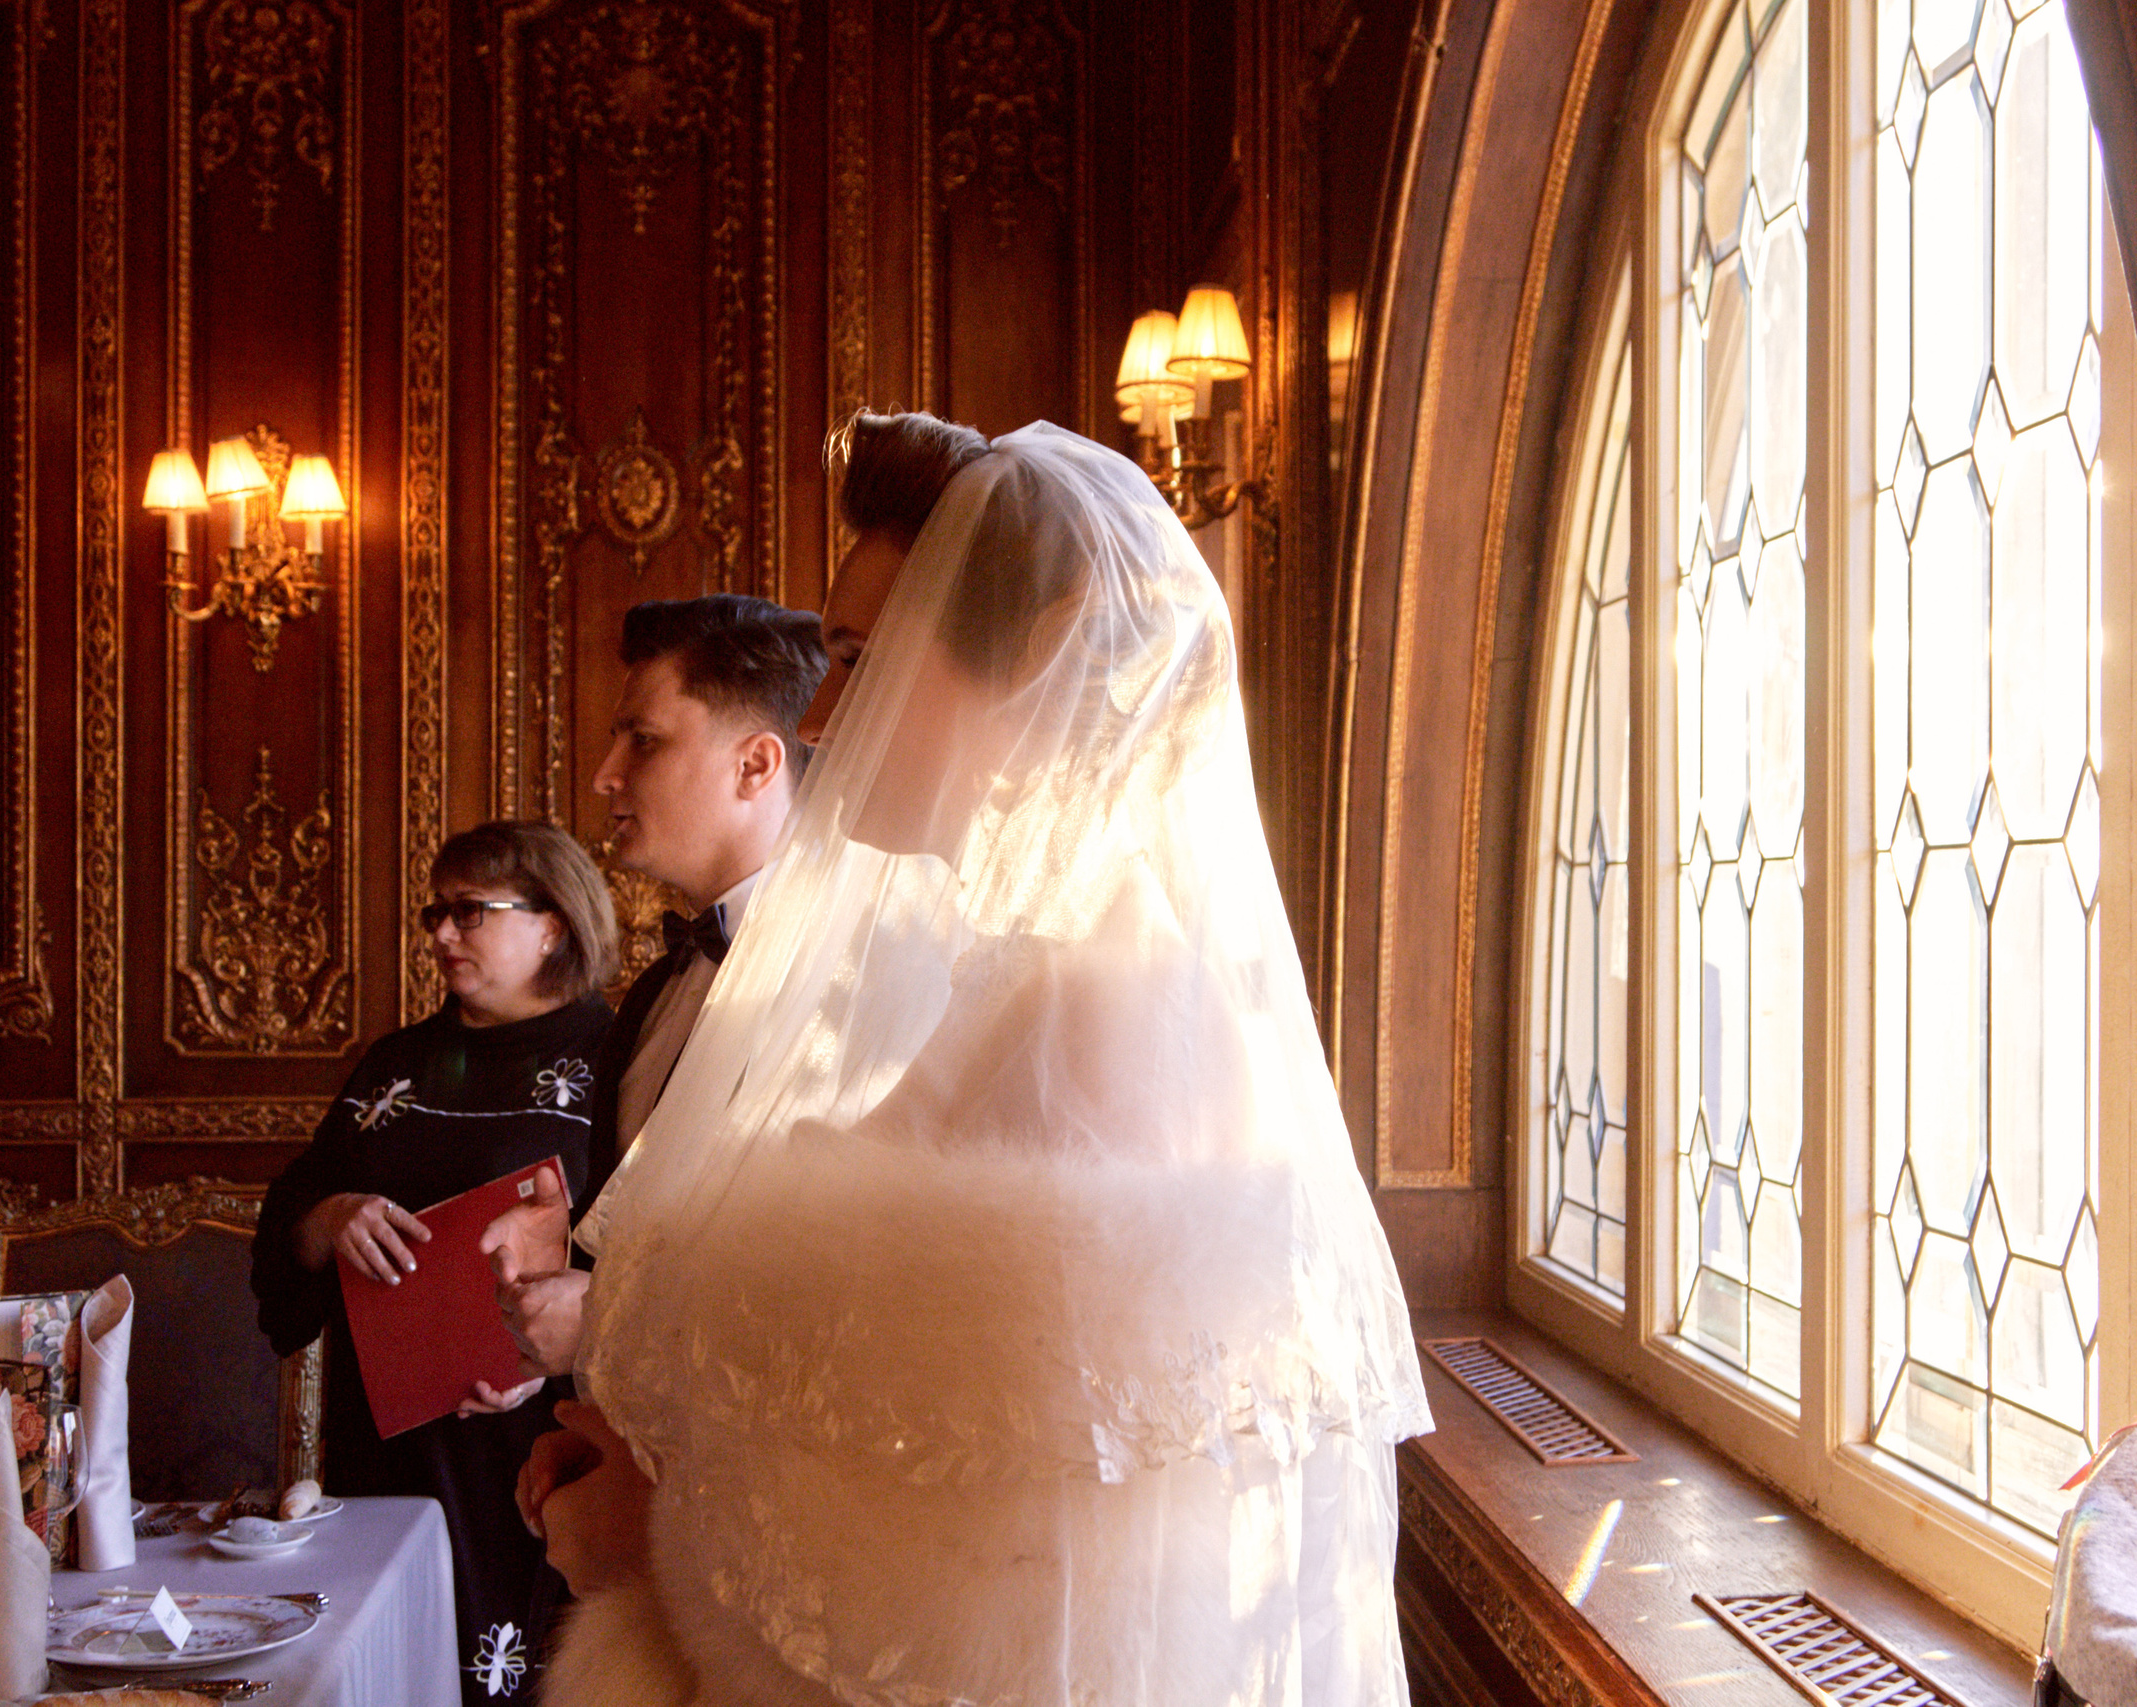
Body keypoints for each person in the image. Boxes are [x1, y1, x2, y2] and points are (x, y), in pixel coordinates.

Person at [530, 414, 1433, 1705]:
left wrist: (648, 1547)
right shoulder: (1028, 969)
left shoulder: (1101, 1012)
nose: (828, 711)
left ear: (1036, 667)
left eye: (855, 655)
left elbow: (999, 1603)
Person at [249, 820, 619, 1707]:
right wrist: (329, 1218)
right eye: (435, 913)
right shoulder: (396, 1066)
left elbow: (663, 1263)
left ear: (554, 924)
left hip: (543, 1449)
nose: (441, 934)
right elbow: (287, 1229)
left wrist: (558, 1355)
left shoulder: (618, 1058)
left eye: (469, 912)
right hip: (388, 1460)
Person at [487, 594, 827, 1384]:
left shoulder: (848, 986)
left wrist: (607, 1318)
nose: (605, 776)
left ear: (756, 765)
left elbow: (835, 1295)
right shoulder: (651, 997)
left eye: (642, 740)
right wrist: (568, 1251)